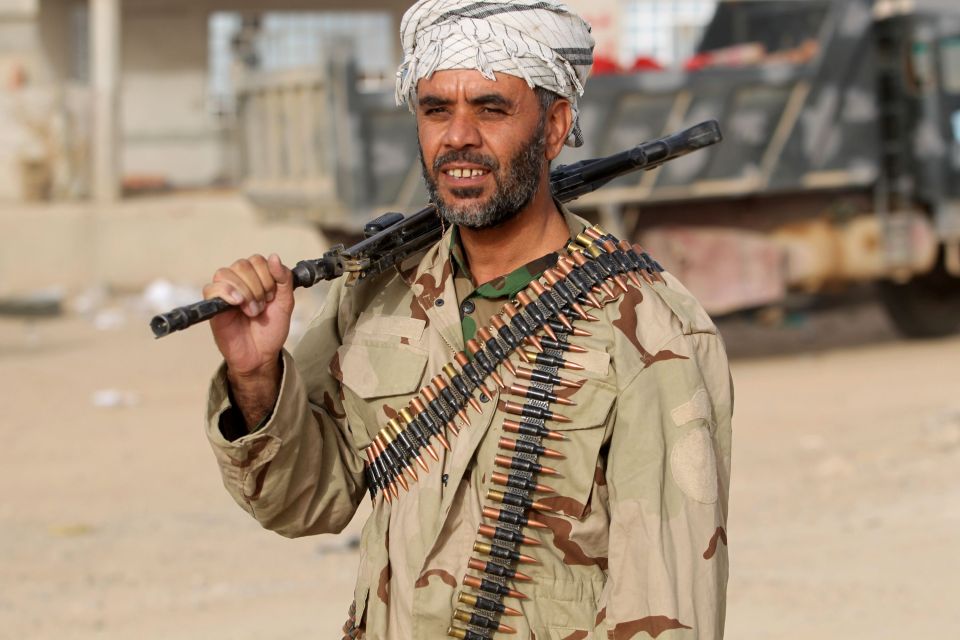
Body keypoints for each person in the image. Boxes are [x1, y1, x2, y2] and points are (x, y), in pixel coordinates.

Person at [201, 1, 733, 638]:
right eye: (436, 110)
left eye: (491, 108)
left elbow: (667, 601)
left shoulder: (650, 329)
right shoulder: (374, 294)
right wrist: (257, 375)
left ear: (556, 126)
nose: (457, 137)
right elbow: (298, 501)